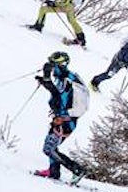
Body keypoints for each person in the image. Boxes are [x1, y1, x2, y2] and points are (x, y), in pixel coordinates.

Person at [33, 51, 89, 182]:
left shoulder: (68, 81)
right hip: (62, 119)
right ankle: (53, 171)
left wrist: (46, 78)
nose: (52, 68)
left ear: (61, 65)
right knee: (51, 146)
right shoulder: (64, 78)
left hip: (66, 121)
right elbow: (57, 92)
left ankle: (77, 170)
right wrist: (45, 80)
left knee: (48, 148)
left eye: (54, 65)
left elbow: (62, 98)